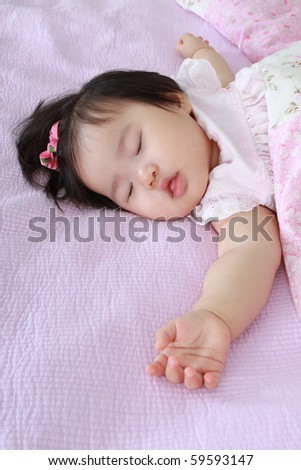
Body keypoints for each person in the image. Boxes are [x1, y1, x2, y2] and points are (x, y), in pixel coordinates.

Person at [16, 33, 282, 390]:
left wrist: (202, 50)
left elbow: (215, 70)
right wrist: (216, 314)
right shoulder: (230, 199)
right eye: (127, 191)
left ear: (174, 101)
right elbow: (248, 256)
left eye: (138, 145)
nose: (147, 177)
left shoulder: (211, 93)